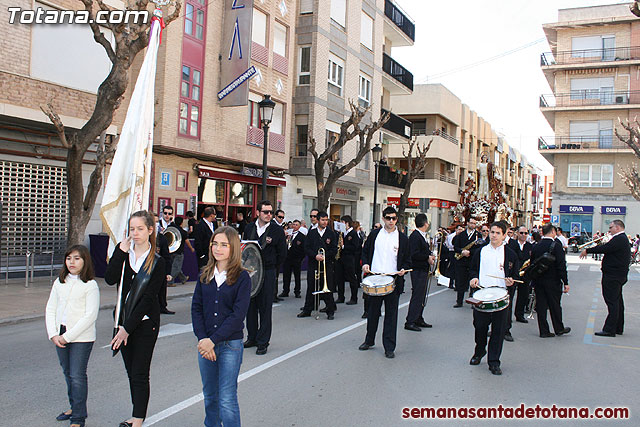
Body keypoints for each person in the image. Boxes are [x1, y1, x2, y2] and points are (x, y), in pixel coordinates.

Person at [105, 210, 166, 427]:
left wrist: (127, 329)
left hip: (145, 323)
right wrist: (120, 253)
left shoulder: (157, 262)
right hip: (122, 320)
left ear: (150, 230)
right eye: (132, 229)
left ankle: (138, 419)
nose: (136, 233)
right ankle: (136, 411)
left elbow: (149, 299)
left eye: (140, 228)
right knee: (131, 370)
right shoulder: (124, 254)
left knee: (140, 372)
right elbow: (110, 279)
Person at [192, 226, 251, 427]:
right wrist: (202, 339)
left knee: (227, 398)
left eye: (224, 245)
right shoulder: (204, 274)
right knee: (210, 396)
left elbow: (237, 315)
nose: (218, 248)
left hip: (229, 346)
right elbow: (196, 309)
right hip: (205, 344)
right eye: (215, 244)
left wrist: (213, 341)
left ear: (233, 248)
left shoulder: (242, 277)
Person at [46, 245, 99, 427]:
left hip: (81, 338)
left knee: (77, 375)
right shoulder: (59, 282)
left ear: (85, 261)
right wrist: (54, 334)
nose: (72, 262)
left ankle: (78, 418)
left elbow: (90, 315)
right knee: (68, 373)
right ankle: (74, 407)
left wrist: (67, 337)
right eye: (69, 258)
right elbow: (51, 308)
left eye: (77, 258)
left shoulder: (90, 285)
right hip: (60, 334)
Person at [359, 206, 411, 359]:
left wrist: (403, 269)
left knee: (391, 315)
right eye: (388, 218)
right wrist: (365, 263)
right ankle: (369, 340)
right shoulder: (375, 235)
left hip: (392, 281)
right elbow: (365, 251)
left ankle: (389, 346)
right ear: (383, 219)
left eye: (394, 218)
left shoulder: (402, 238)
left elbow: (408, 259)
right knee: (373, 313)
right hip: (375, 279)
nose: (391, 221)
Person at [468, 221, 519, 375]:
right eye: (492, 232)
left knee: (498, 331)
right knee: (480, 327)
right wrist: (473, 279)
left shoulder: (510, 254)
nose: (494, 235)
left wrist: (511, 282)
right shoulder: (481, 251)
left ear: (504, 235)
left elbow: (515, 276)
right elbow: (472, 269)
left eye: (498, 233)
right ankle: (479, 351)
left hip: (501, 297)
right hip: (482, 295)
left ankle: (494, 361)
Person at [243, 200, 286, 355]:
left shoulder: (277, 230)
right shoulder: (249, 228)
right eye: (265, 212)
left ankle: (263, 341)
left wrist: (272, 268)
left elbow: (282, 253)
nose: (269, 215)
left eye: (271, 212)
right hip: (250, 271)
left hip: (267, 271)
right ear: (257, 213)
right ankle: (252, 337)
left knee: (265, 307)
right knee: (250, 305)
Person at [580, 219, 630, 337]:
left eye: (611, 227)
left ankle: (610, 329)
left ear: (617, 228)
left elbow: (605, 248)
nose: (609, 230)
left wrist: (588, 250)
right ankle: (618, 327)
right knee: (617, 302)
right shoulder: (621, 239)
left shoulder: (619, 239)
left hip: (613, 276)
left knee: (612, 302)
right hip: (617, 275)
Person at [530, 224, 571, 338]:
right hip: (553, 281)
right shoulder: (556, 246)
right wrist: (565, 282)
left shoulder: (536, 246)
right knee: (555, 305)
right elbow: (561, 265)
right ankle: (559, 328)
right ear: (553, 231)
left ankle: (544, 330)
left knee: (541, 306)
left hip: (539, 281)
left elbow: (532, 263)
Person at [298, 211, 338, 320]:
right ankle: (307, 310)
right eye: (323, 220)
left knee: (327, 288)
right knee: (311, 287)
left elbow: (334, 249)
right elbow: (306, 248)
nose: (325, 222)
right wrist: (315, 255)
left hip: (327, 265)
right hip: (313, 264)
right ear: (318, 220)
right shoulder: (312, 233)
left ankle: (330, 311)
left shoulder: (331, 233)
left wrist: (325, 256)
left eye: (326, 220)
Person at [405, 213, 435, 331]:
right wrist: (427, 257)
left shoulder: (421, 235)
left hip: (423, 269)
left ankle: (418, 317)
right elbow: (414, 254)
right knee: (417, 295)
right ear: (425, 223)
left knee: (422, 295)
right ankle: (410, 321)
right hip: (418, 270)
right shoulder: (415, 236)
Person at [452, 218, 481, 307]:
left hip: (473, 261)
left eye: (474, 223)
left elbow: (479, 248)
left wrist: (470, 252)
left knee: (473, 282)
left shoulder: (478, 235)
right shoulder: (461, 235)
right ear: (467, 223)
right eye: (471, 223)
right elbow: (455, 246)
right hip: (462, 262)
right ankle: (459, 301)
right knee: (461, 281)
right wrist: (461, 252)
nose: (472, 225)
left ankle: (473, 301)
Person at [511, 226, 533, 324]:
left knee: (523, 295)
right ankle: (506, 317)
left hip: (525, 274)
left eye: (525, 233)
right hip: (513, 274)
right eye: (521, 233)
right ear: (517, 233)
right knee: (510, 295)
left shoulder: (530, 246)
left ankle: (519, 315)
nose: (523, 235)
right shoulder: (512, 244)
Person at [337, 215, 361, 305]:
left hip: (349, 258)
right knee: (339, 278)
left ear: (347, 223)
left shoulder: (353, 234)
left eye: (342, 222)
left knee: (351, 278)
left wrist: (344, 246)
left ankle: (354, 298)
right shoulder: (342, 233)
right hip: (341, 258)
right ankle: (340, 296)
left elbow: (355, 247)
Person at [153, 213, 174, 315]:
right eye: (153, 222)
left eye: (157, 221)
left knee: (162, 289)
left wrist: (168, 272)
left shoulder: (162, 238)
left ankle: (162, 306)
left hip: (159, 268)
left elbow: (166, 256)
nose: (156, 224)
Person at [280, 219, 306, 298]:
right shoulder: (288, 234)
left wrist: (301, 259)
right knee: (286, 275)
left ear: (299, 226)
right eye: (293, 224)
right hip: (287, 258)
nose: (294, 226)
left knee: (297, 276)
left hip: (296, 259)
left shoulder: (301, 236)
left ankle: (297, 291)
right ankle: (285, 291)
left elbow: (304, 249)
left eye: (296, 225)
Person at [169, 217, 195, 286]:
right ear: (181, 223)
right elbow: (187, 241)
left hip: (170, 251)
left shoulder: (171, 228)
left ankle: (183, 278)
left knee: (175, 266)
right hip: (179, 252)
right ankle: (170, 282)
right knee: (176, 268)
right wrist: (191, 248)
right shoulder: (183, 232)